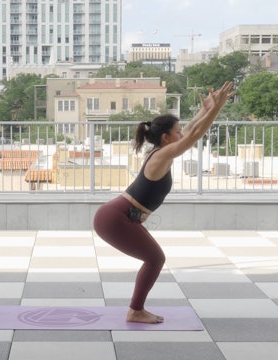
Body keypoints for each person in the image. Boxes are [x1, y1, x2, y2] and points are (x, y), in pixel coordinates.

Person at [93, 81, 235, 324]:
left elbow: (190, 129)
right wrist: (216, 109)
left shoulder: (162, 151)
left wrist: (206, 109)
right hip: (116, 218)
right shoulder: (162, 155)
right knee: (155, 259)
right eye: (177, 132)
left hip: (120, 216)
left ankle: (136, 309)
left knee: (154, 259)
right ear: (167, 137)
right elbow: (195, 134)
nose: (182, 134)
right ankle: (135, 310)